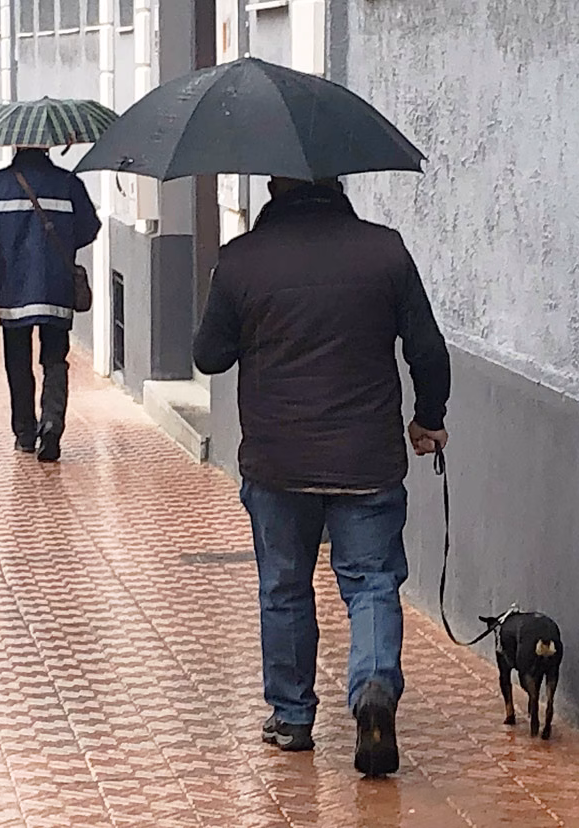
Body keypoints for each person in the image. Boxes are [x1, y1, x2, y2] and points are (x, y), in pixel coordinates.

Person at [193, 177, 451, 777]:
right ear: (337, 183)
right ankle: (373, 690)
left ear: (273, 189)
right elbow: (427, 347)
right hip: (367, 459)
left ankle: (290, 718)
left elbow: (209, 356)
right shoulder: (385, 250)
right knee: (372, 583)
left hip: (278, 461)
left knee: (284, 586)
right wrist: (428, 418)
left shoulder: (240, 260)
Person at [0, 147, 101, 463]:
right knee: (55, 358)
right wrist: (59, 240)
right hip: (57, 285)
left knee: (17, 361)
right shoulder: (68, 183)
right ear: (47, 147)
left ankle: (24, 433)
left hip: (14, 289)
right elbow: (91, 227)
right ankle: (52, 422)